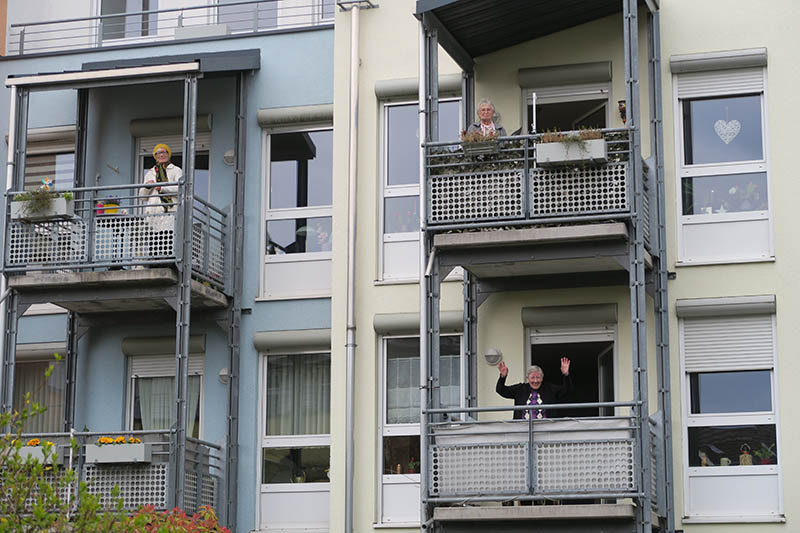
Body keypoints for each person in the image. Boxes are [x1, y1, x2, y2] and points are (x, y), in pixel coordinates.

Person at [139, 143, 182, 257]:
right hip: (154, 211)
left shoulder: (176, 170)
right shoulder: (150, 173)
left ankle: (167, 262)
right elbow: (142, 196)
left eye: (163, 152)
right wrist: (148, 186)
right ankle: (154, 262)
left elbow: (180, 189)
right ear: (155, 156)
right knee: (154, 241)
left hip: (169, 210)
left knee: (167, 238)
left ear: (168, 154)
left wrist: (163, 188)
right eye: (158, 153)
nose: (161, 155)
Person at [496, 358, 573, 420]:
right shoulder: (520, 389)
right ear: (527, 378)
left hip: (546, 429)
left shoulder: (549, 389)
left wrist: (566, 374)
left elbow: (568, 390)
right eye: (532, 378)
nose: (535, 381)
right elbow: (501, 390)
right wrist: (503, 377)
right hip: (523, 430)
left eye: (538, 377)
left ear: (542, 378)